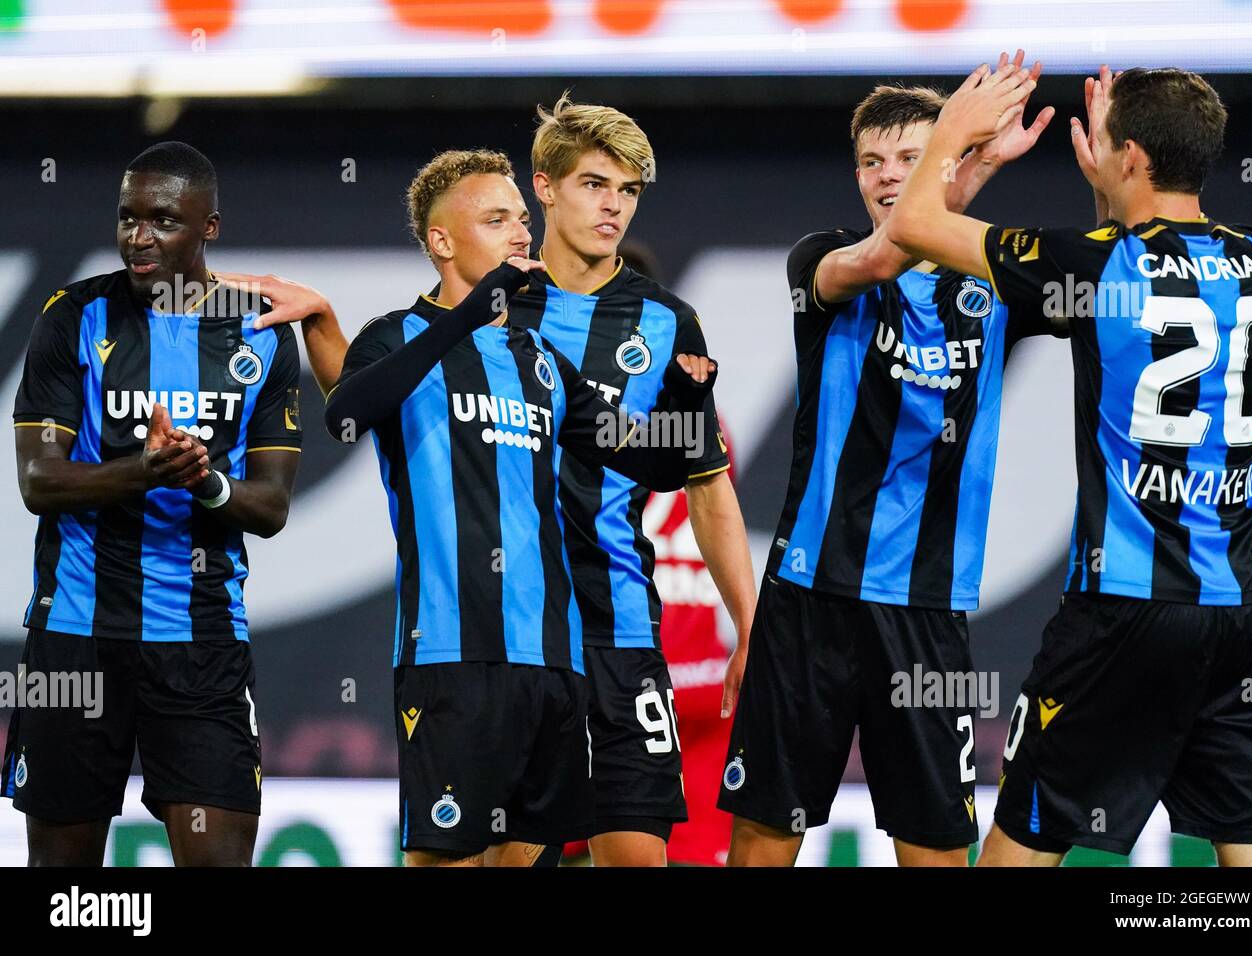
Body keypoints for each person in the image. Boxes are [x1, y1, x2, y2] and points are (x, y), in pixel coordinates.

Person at [889, 58, 1252, 866]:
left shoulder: (1096, 261)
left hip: (1123, 615)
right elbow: (1150, 259)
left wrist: (951, 132)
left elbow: (911, 224)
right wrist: (1114, 188)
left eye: (1110, 143)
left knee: (1023, 848)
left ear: (1135, 156)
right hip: (1242, 615)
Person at [321, 149, 718, 866]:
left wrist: (686, 405)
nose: (520, 234)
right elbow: (346, 412)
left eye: (521, 220)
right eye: (496, 218)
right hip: (450, 655)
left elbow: (648, 460)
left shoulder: (539, 360)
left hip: (553, 663)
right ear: (441, 241)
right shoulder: (396, 337)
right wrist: (472, 311)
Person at [719, 53, 1059, 867]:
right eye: (871, 161)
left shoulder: (994, 281)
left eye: (908, 157)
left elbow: (1088, 279)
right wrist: (954, 158)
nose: (885, 175)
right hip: (808, 600)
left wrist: (964, 172)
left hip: (926, 612)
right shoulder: (823, 260)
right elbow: (884, 254)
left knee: (938, 847)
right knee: (765, 840)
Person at [2, 141, 304, 866]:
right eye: (127, 218)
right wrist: (147, 469)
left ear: (210, 228)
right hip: (76, 638)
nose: (139, 238)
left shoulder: (260, 332)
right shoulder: (72, 316)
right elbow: (38, 483)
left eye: (163, 220)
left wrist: (205, 482)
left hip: (201, 647)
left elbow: (269, 507)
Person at [504, 95, 756, 867]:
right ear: (544, 187)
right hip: (510, 636)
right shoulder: (489, 306)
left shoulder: (667, 322)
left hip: (621, 628)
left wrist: (752, 626)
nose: (612, 205)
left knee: (641, 855)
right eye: (593, 184)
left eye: (628, 190)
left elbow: (706, 484)